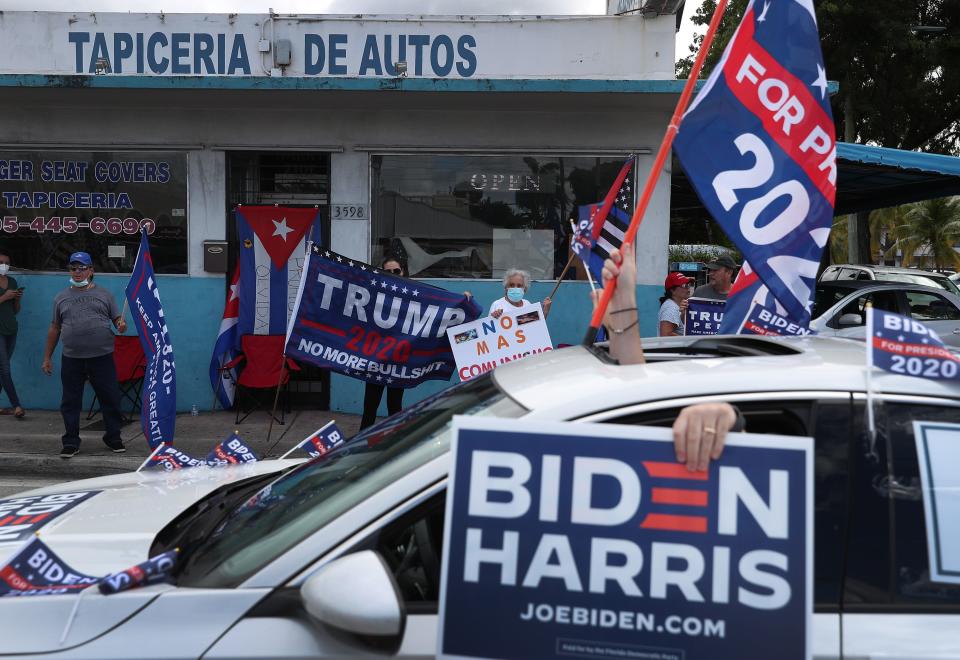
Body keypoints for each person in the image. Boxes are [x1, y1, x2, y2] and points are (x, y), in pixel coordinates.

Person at [592, 243, 742, 472]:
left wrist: (733, 417)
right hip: (695, 363)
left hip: (729, 366)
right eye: (683, 286)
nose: (710, 273)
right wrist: (683, 313)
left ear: (729, 273)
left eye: (715, 270)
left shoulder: (740, 296)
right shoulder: (700, 295)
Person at [41, 252, 127, 458]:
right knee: (70, 401)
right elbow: (55, 327)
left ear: (91, 270)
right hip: (72, 358)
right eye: (73, 268)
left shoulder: (105, 295)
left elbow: (116, 319)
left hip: (101, 357)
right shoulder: (60, 298)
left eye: (82, 268)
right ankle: (71, 442)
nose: (77, 272)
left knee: (111, 398)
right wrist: (47, 357)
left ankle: (113, 437)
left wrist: (121, 325)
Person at [359, 255, 409, 430]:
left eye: (396, 270)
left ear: (403, 272)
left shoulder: (415, 294)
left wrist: (463, 299)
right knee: (370, 407)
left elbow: (441, 305)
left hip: (397, 360)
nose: (393, 274)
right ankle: (361, 444)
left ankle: (396, 444)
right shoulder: (374, 293)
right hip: (377, 359)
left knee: (395, 407)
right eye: (388, 271)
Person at [0, 249, 24, 419]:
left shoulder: (12, 281)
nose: (4, 266)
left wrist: (16, 299)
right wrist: (4, 297)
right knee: (5, 369)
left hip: (11, 329)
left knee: (2, 368)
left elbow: (15, 311)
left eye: (7, 263)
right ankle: (17, 405)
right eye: (1, 262)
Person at [658, 272, 693, 337]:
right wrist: (689, 341)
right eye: (684, 286)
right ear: (672, 290)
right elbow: (665, 335)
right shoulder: (671, 308)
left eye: (688, 285)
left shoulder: (676, 305)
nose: (688, 289)